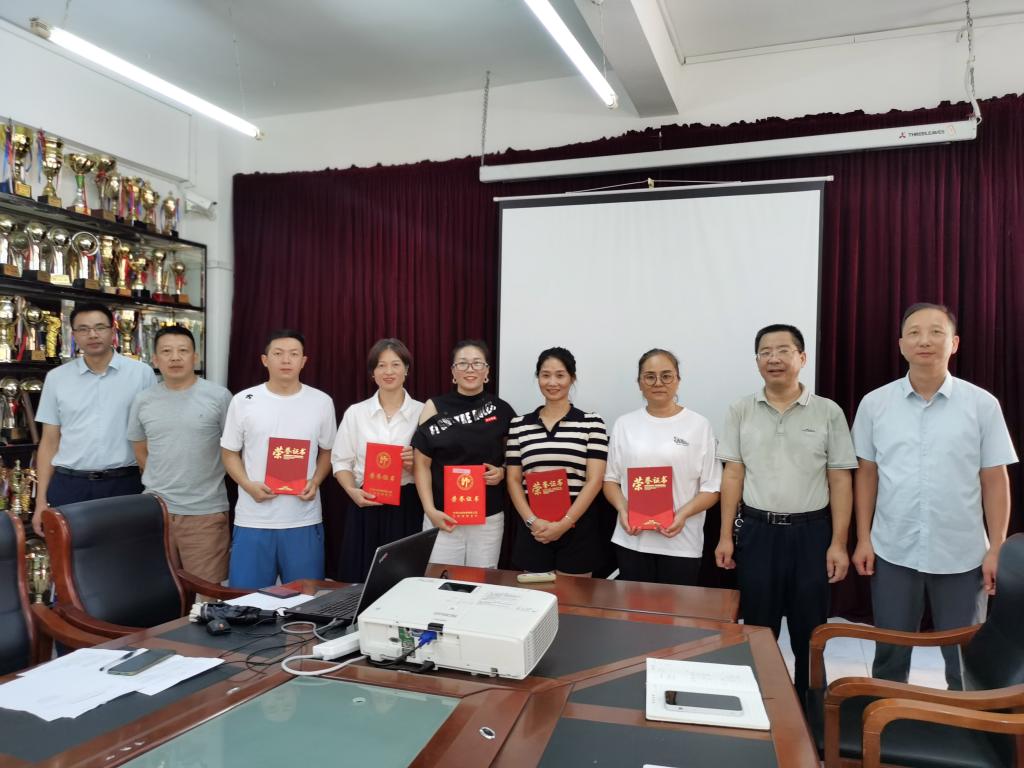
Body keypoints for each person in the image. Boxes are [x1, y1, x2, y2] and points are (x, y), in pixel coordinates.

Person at [851, 303, 1017, 690]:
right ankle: (888, 717)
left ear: (954, 343)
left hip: (962, 555)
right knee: (890, 653)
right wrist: (863, 538)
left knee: (965, 659)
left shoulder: (982, 405)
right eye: (914, 332)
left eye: (936, 332)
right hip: (893, 549)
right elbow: (867, 474)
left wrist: (996, 548)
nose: (924, 340)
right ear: (901, 345)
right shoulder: (875, 404)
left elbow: (995, 480)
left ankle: (966, 723)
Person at [714, 324, 856, 700]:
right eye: (765, 352)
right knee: (758, 630)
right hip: (757, 532)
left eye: (783, 351)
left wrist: (838, 543)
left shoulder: (827, 412)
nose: (773, 359)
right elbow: (733, 474)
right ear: (757, 360)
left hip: (812, 534)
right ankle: (760, 705)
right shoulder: (740, 410)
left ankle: (810, 712)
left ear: (802, 358)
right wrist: (726, 535)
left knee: (811, 632)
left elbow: (840, 480)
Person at [220, 329, 337, 588]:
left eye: (294, 354)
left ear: (303, 361)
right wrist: (248, 485)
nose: (286, 360)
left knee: (304, 600)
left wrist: (316, 481)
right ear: (265, 360)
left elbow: (328, 451)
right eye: (278, 353)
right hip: (253, 518)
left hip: (303, 517)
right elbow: (229, 452)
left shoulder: (321, 402)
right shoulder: (244, 401)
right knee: (246, 599)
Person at [32, 302, 156, 536]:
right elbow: (49, 442)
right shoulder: (57, 378)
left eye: (100, 327)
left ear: (113, 330)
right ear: (73, 334)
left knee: (125, 552)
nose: (92, 335)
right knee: (70, 554)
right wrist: (40, 502)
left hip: (125, 484)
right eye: (83, 329)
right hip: (70, 487)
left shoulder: (141, 374)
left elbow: (152, 435)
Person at [603, 348, 720, 586]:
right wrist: (623, 510)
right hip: (632, 540)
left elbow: (711, 488)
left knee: (677, 609)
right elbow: (611, 480)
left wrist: (682, 515)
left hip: (681, 542)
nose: (658, 383)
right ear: (639, 382)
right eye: (650, 376)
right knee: (633, 608)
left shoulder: (699, 425)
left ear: (678, 380)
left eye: (666, 376)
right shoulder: (624, 424)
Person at [127, 325, 233, 585]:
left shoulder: (219, 397)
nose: (175, 357)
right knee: (158, 591)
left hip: (205, 514)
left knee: (206, 594)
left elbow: (234, 450)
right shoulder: (143, 400)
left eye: (183, 351)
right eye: (166, 351)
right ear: (155, 359)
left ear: (195, 357)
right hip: (155, 511)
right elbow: (139, 448)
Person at [412, 339, 515, 568]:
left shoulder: (502, 410)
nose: (470, 369)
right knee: (441, 580)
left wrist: (502, 471)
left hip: (488, 519)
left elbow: (515, 459)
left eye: (477, 363)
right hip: (442, 516)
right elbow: (421, 464)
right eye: (462, 363)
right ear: (453, 371)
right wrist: (430, 510)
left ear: (487, 371)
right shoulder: (434, 407)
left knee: (483, 581)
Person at [506, 347, 608, 576]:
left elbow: (595, 480)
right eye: (545, 375)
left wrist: (565, 523)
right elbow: (513, 480)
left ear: (572, 378)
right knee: (535, 596)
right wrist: (532, 521)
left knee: (574, 596)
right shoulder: (519, 425)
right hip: (534, 527)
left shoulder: (592, 423)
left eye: (560, 375)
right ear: (538, 378)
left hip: (578, 525)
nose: (552, 382)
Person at [332, 338, 424, 582]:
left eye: (395, 364)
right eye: (381, 365)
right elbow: (341, 461)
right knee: (361, 577)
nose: (388, 371)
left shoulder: (423, 412)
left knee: (404, 579)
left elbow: (433, 465)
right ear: (372, 373)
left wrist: (414, 464)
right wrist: (351, 490)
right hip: (365, 502)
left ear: (406, 369)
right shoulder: (356, 413)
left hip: (407, 505)